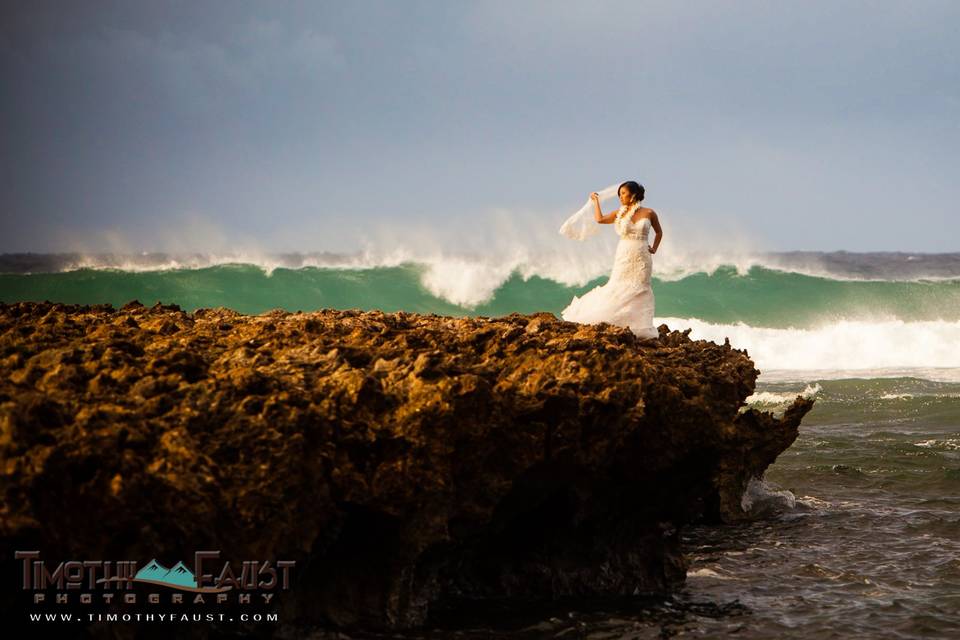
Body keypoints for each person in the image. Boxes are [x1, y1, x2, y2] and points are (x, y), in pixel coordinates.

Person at [560, 181, 662, 339]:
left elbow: (659, 233)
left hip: (642, 255)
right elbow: (599, 219)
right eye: (619, 194)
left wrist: (654, 248)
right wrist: (596, 202)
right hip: (624, 253)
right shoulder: (619, 213)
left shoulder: (649, 213)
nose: (620, 197)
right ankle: (614, 320)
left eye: (623, 193)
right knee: (618, 285)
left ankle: (639, 326)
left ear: (633, 194)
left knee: (640, 288)